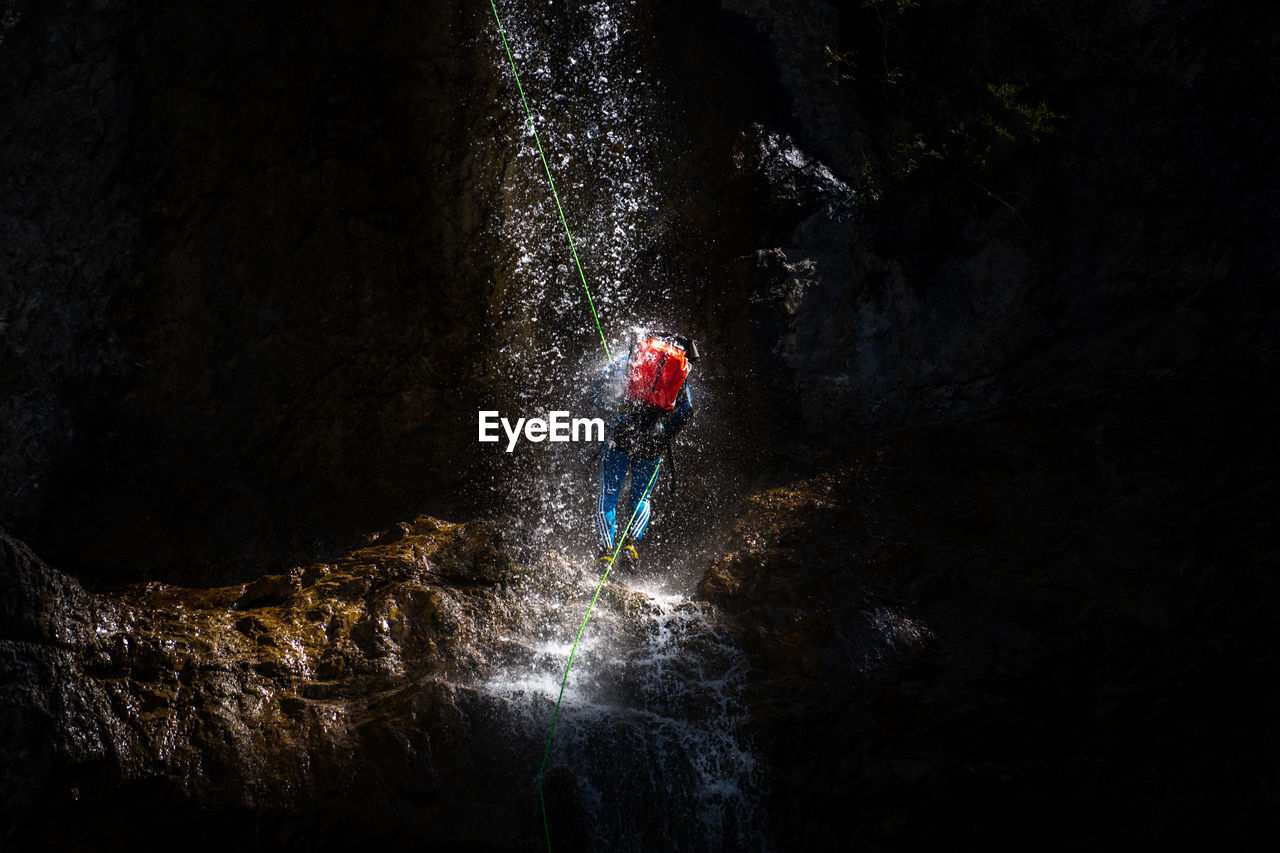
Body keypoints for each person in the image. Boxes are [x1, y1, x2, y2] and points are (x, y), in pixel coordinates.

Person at [590, 330, 698, 571]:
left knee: (609, 492)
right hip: (654, 436)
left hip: (623, 429)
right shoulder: (678, 371)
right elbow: (687, 410)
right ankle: (630, 546)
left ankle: (606, 553)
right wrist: (665, 435)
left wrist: (615, 408)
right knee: (642, 496)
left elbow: (598, 391)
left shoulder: (632, 358)